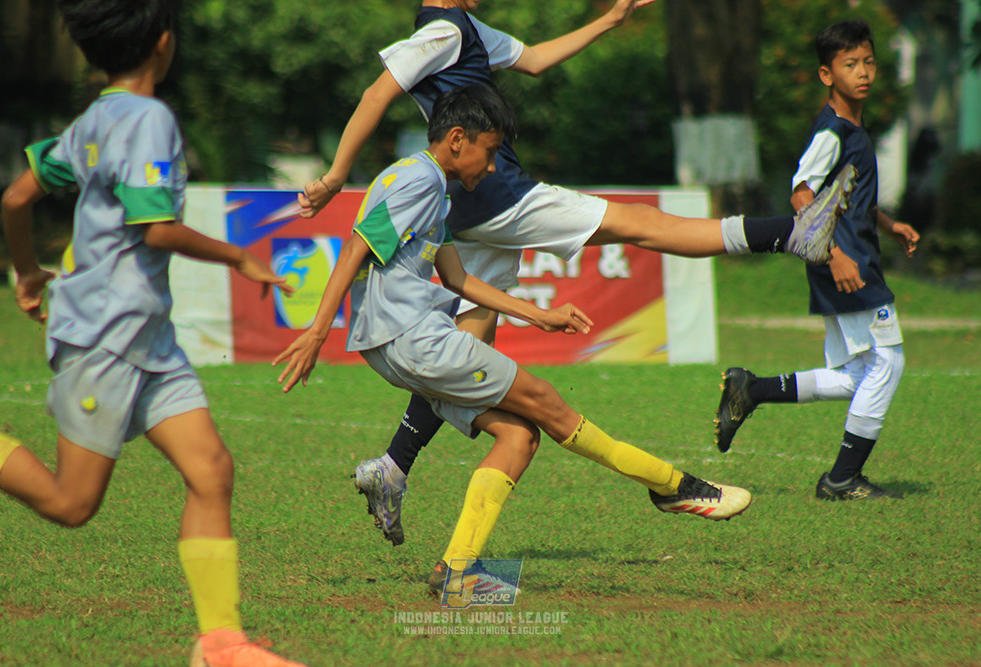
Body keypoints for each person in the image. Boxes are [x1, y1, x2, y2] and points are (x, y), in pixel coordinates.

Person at [295, 0, 856, 545]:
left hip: (467, 206)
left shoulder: (464, 31)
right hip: (500, 198)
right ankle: (788, 234)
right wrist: (336, 174)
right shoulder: (443, 34)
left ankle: (395, 467)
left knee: (475, 338)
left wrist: (609, 20)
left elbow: (535, 59)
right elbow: (376, 93)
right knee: (641, 224)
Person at [275, 84, 753, 594]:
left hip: (396, 346)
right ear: (457, 139)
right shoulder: (417, 180)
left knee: (519, 437)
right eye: (490, 150)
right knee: (550, 406)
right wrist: (317, 332)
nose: (494, 165)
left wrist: (536, 313)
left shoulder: (430, 187)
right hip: (416, 339)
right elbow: (355, 246)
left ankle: (456, 576)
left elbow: (458, 280)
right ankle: (676, 488)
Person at [0, 1, 306, 664]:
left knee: (211, 469)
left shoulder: (93, 120)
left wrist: (26, 272)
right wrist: (240, 255)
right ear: (163, 44)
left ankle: (220, 643)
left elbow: (16, 198)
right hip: (105, 335)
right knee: (72, 502)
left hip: (147, 336)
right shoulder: (150, 118)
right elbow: (153, 226)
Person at [714, 19, 920, 501]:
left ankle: (753, 389)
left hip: (854, 259)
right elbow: (802, 193)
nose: (863, 72)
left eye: (868, 62)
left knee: (858, 375)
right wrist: (836, 256)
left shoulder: (852, 127)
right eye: (850, 65)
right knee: (888, 362)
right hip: (848, 265)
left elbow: (847, 193)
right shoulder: (832, 131)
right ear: (828, 75)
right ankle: (842, 479)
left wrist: (888, 224)